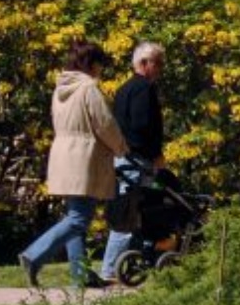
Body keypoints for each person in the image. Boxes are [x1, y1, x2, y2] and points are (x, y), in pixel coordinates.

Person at [19, 40, 128, 289]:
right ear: (92, 64)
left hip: (63, 154)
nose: (101, 71)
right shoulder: (88, 87)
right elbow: (104, 123)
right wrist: (120, 147)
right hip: (84, 156)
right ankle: (33, 255)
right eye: (100, 65)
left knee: (74, 216)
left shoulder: (61, 88)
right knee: (79, 219)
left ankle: (81, 275)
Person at [99, 41, 166, 284]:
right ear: (144, 64)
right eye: (157, 63)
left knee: (130, 212)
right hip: (136, 158)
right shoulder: (143, 90)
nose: (160, 68)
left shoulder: (124, 88)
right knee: (128, 214)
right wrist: (155, 153)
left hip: (123, 156)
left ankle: (131, 262)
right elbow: (141, 126)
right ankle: (110, 268)